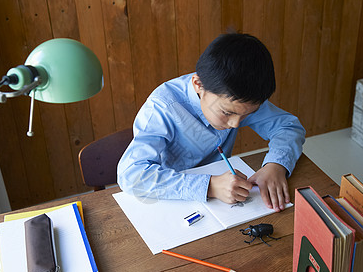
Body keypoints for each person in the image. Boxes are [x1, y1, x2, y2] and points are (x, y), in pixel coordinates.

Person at [117, 33, 305, 212]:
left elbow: (288, 127)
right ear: (199, 85)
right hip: (167, 198)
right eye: (226, 113)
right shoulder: (163, 106)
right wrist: (210, 186)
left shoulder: (240, 99)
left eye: (246, 115)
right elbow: (131, 175)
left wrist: (275, 165)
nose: (235, 124)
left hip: (223, 199)